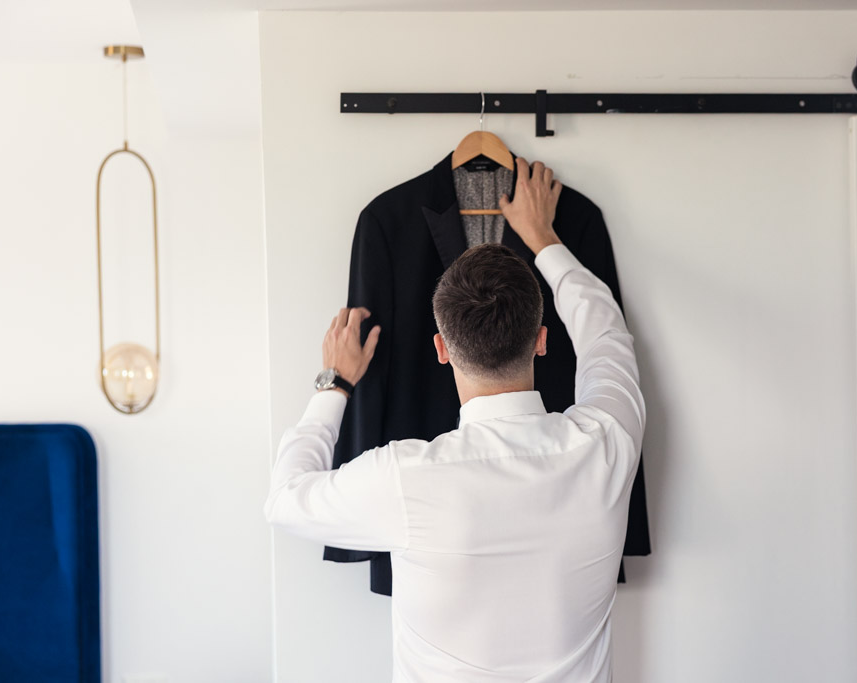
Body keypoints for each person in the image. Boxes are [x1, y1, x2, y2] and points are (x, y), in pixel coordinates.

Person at [264, 158, 646, 682]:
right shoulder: (606, 443)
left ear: (441, 349)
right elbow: (605, 333)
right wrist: (544, 238)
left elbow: (285, 498)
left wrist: (335, 382)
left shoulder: (406, 478)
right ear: (542, 340)